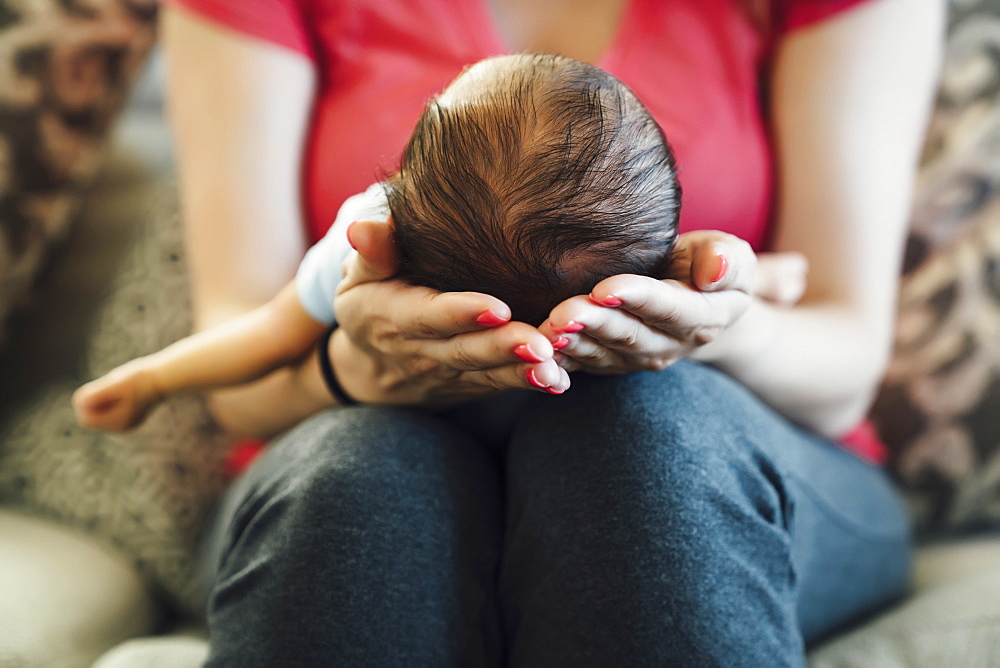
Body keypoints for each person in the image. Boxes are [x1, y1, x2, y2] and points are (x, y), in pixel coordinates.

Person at [154, 0, 945, 665]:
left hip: (742, 448)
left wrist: (713, 327)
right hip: (341, 439)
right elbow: (241, 372)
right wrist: (362, 375)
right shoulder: (357, 238)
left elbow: (843, 364)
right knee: (356, 480)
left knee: (635, 440)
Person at [72, 53, 682, 430]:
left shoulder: (373, 233)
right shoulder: (634, 280)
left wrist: (152, 381)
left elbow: (265, 335)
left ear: (404, 181)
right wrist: (756, 281)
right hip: (561, 439)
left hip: (415, 438)